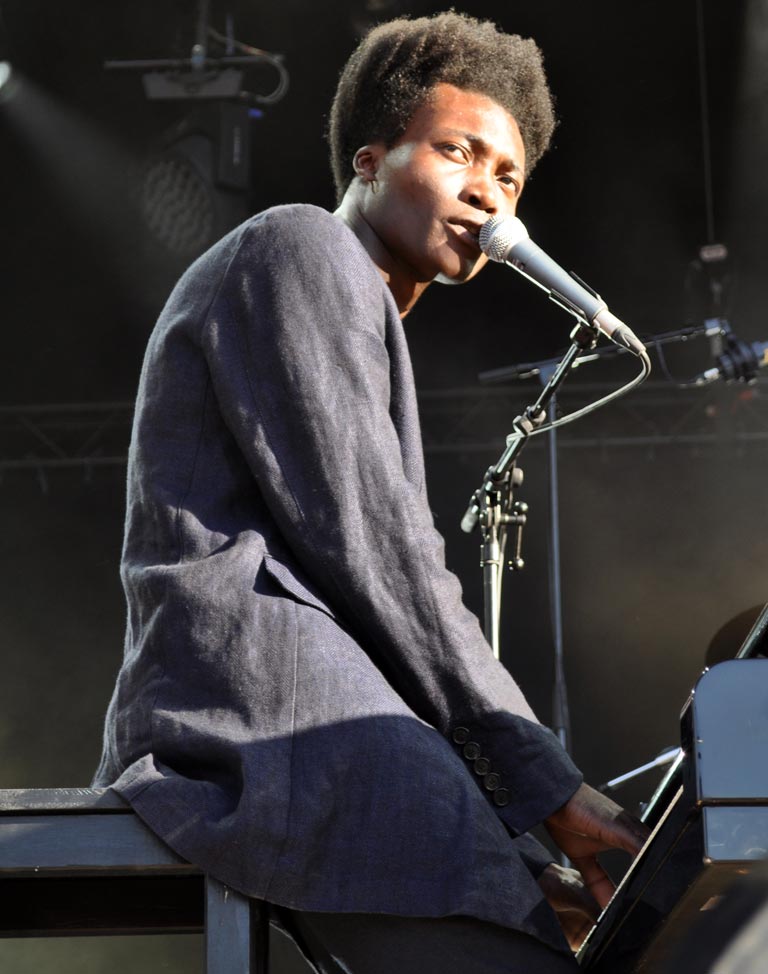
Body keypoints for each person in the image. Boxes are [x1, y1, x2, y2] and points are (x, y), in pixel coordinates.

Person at [93, 11, 649, 972]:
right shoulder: (300, 246)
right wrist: (548, 785)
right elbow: (377, 550)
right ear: (370, 160)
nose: (489, 192)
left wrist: (523, 868)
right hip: (259, 724)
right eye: (457, 151)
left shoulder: (352, 303)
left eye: (509, 176)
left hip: (312, 723)